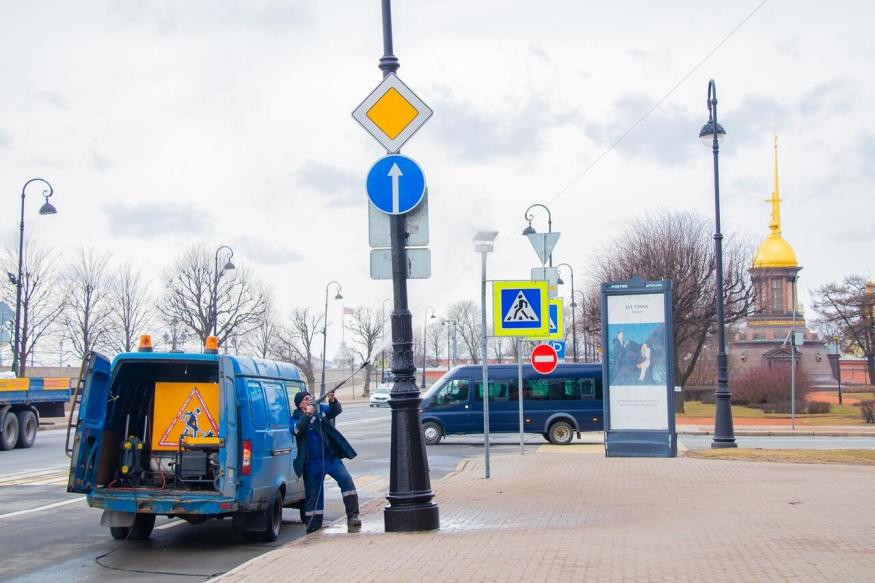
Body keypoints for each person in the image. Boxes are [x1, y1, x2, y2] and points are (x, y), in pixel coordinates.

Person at [292, 390, 360, 534]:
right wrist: (307, 415)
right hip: (312, 463)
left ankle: (353, 516)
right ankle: (313, 526)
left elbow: (335, 410)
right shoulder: (296, 417)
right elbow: (296, 430)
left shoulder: (320, 410)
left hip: (330, 458)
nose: (310, 401)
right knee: (313, 496)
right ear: (300, 404)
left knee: (346, 480)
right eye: (306, 399)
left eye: (310, 398)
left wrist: (332, 399)